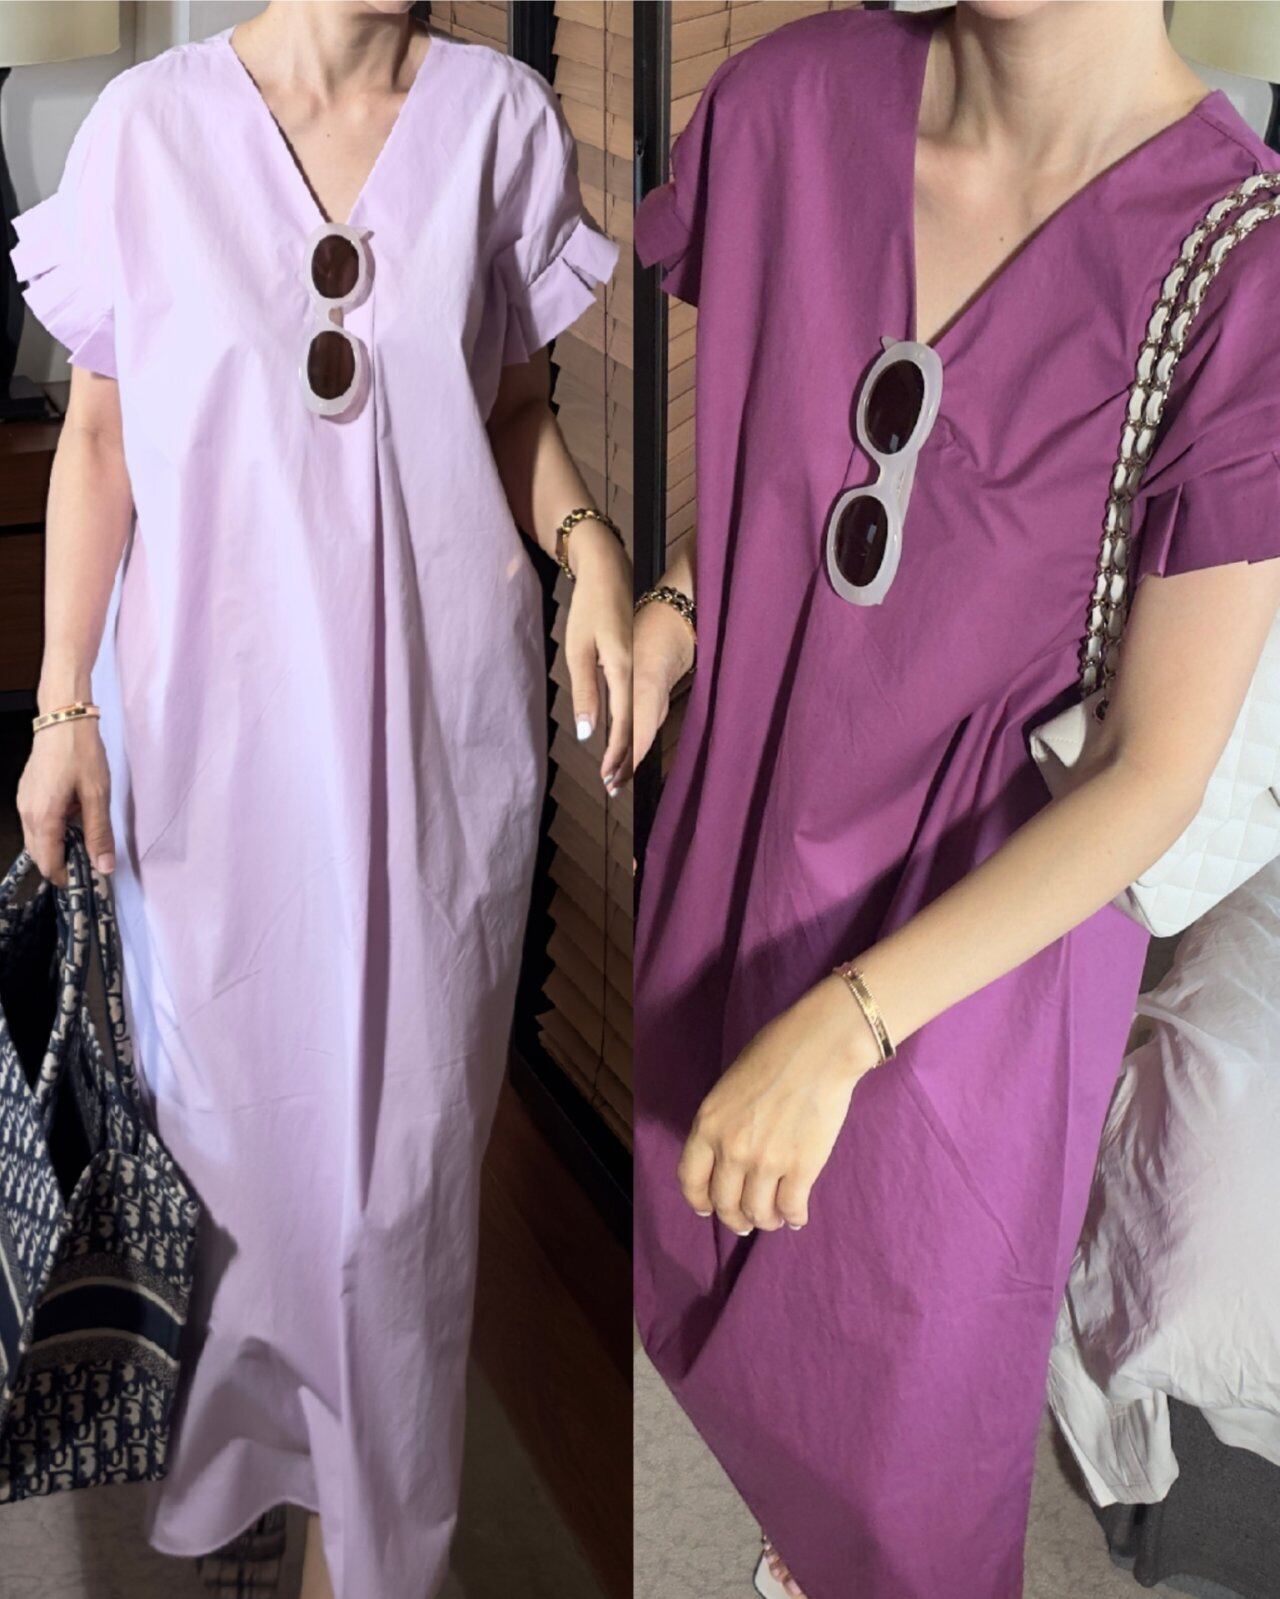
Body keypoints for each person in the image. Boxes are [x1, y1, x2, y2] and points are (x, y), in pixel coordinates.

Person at [631, 4, 1280, 1596]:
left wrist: (847, 1029)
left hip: (977, 972)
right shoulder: (784, 106)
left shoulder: (1243, 269)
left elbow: (1152, 772)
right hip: (736, 874)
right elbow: (788, 449)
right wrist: (681, 599)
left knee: (908, 1478)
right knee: (742, 1365)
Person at [11, 5, 629, 1597]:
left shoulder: (501, 122)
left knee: (400, 1194)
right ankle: (249, 1510)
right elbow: (99, 437)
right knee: (229, 1164)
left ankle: (377, 1547)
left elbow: (508, 411)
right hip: (205, 756)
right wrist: (62, 703)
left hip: (436, 743)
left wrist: (590, 549)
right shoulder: (147, 132)